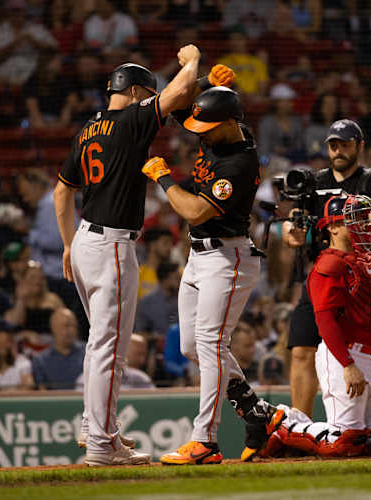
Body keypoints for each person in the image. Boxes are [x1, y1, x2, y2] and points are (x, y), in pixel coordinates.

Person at [53, 45, 222, 466]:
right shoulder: (130, 120)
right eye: (148, 93)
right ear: (134, 93)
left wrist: (68, 243)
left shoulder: (89, 128)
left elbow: (61, 190)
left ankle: (97, 429)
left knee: (99, 345)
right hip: (110, 244)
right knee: (110, 348)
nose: (153, 100)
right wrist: (193, 61)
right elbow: (180, 91)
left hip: (86, 243)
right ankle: (101, 443)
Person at [141, 86, 286, 465]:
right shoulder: (228, 130)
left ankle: (205, 439)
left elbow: (193, 211)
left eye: (207, 125)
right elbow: (180, 106)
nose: (198, 132)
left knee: (211, 344)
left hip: (228, 257)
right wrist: (205, 79)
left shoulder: (239, 162)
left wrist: (163, 177)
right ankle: (256, 411)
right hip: (198, 256)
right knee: (193, 347)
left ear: (228, 123)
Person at [265, 195, 371, 458]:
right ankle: (285, 423)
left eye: (364, 219)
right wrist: (348, 365)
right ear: (333, 227)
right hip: (346, 355)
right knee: (343, 443)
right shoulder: (329, 263)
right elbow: (325, 320)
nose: (364, 225)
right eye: (354, 220)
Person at [282, 119, 371, 418]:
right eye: (333, 145)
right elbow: (292, 223)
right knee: (302, 349)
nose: (338, 150)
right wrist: (292, 231)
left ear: (359, 145)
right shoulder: (314, 182)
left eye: (345, 144)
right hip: (324, 275)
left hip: (363, 279)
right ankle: (299, 426)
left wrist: (338, 223)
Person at [0, 0, 58, 85]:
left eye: (20, 10)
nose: (17, 13)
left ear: (25, 11)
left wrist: (35, 43)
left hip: (32, 83)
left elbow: (54, 49)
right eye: (14, 10)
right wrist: (12, 46)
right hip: (4, 83)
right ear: (8, 11)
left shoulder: (36, 29)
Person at [32, 308, 86, 390]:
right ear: (53, 328)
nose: (71, 330)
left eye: (74, 326)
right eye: (66, 325)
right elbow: (42, 394)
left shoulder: (88, 353)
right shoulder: (40, 361)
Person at [138, 227, 173, 299]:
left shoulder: (176, 273)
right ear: (152, 245)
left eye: (170, 243)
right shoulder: (138, 273)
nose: (170, 247)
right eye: (165, 243)